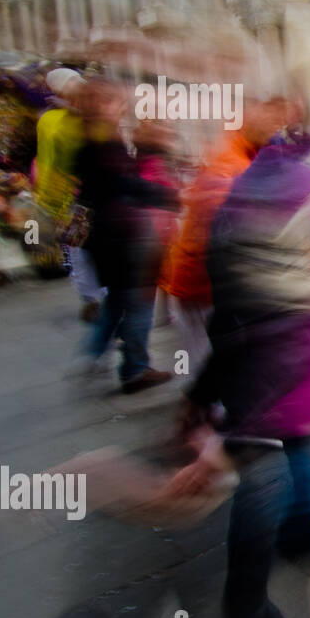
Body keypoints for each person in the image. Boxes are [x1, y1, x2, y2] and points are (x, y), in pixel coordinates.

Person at [176, 114, 310, 618]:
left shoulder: (235, 197)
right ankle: (306, 533)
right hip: (309, 358)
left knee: (263, 472)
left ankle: (253, 602)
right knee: (304, 444)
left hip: (263, 369)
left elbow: (232, 308)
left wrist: (204, 391)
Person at [160, 99, 290, 371]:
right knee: (207, 364)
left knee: (220, 362)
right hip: (200, 283)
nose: (275, 130)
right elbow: (229, 226)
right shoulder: (229, 163)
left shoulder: (246, 156)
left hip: (215, 283)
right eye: (269, 123)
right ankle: (206, 407)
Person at [72, 80, 178, 393]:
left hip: (105, 234)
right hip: (123, 234)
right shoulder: (107, 144)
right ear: (101, 106)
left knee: (118, 298)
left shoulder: (88, 141)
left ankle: (91, 352)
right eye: (115, 102)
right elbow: (126, 184)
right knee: (139, 300)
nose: (121, 107)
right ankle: (135, 368)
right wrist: (170, 196)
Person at [34, 67, 103, 320]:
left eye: (80, 81)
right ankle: (92, 300)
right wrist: (52, 203)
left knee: (92, 250)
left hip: (96, 195)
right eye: (73, 82)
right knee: (80, 251)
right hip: (73, 198)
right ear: (61, 88)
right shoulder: (52, 121)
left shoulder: (91, 113)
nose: (79, 85)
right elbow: (50, 162)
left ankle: (100, 298)